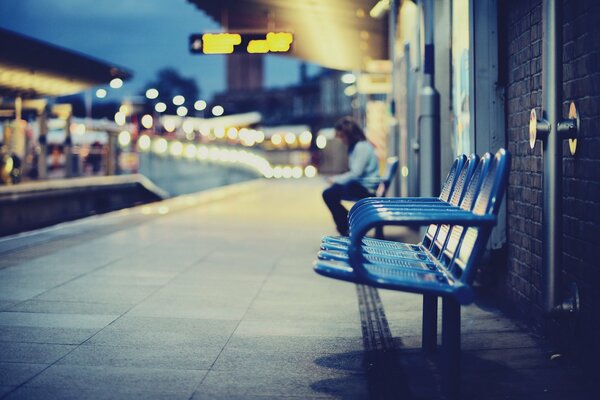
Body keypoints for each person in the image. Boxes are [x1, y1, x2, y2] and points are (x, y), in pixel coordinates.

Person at [322, 116, 379, 236]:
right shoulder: (357, 147)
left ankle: (347, 225)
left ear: (350, 134)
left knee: (329, 194)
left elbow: (356, 173)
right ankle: (348, 224)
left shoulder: (361, 147)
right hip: (361, 185)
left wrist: (336, 179)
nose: (341, 140)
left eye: (342, 136)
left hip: (366, 188)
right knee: (330, 193)